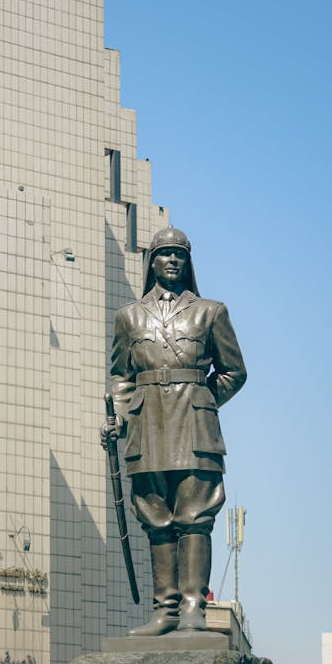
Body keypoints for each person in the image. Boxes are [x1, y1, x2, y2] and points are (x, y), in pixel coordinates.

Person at [101, 225, 246, 635]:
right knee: (155, 516)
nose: (172, 261)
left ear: (188, 262)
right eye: (164, 254)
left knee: (195, 517)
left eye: (179, 254)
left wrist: (201, 400)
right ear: (151, 262)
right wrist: (119, 414)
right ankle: (164, 611)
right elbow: (120, 376)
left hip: (196, 427)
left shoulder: (210, 312)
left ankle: (192, 610)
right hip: (147, 427)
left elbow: (234, 371)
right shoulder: (128, 317)